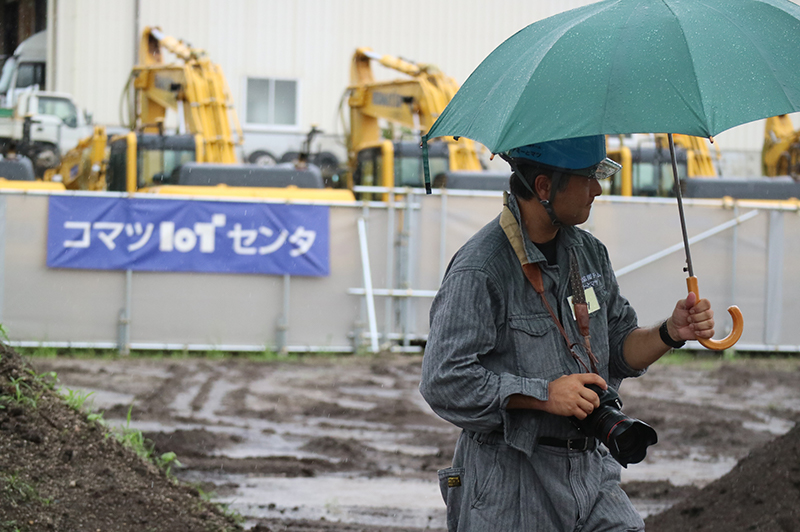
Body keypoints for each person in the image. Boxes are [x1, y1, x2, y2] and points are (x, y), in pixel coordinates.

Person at [419, 135, 716, 532]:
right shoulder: (481, 269)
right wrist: (544, 396)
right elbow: (443, 382)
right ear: (544, 187)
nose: (597, 188)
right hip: (511, 484)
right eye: (588, 176)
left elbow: (620, 346)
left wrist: (670, 332)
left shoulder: (589, 253)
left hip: (591, 472)